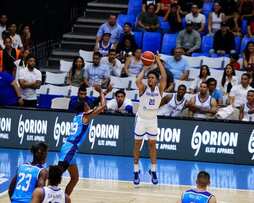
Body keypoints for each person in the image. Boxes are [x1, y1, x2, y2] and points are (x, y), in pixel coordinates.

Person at [58, 86, 106, 195]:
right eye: (86, 104)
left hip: (71, 149)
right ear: (84, 107)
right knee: (56, 176)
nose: (88, 105)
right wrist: (101, 92)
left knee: (75, 178)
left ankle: (65, 199)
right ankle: (43, 193)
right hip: (70, 148)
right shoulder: (85, 116)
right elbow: (103, 106)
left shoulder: (78, 116)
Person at [133, 55, 167, 185]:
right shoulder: (143, 89)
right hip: (141, 119)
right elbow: (137, 80)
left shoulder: (160, 89)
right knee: (137, 145)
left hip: (152, 120)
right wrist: (145, 67)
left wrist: (157, 60)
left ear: (157, 81)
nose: (150, 79)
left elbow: (164, 76)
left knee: (152, 145)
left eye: (152, 78)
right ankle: (136, 171)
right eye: (149, 78)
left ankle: (153, 171)